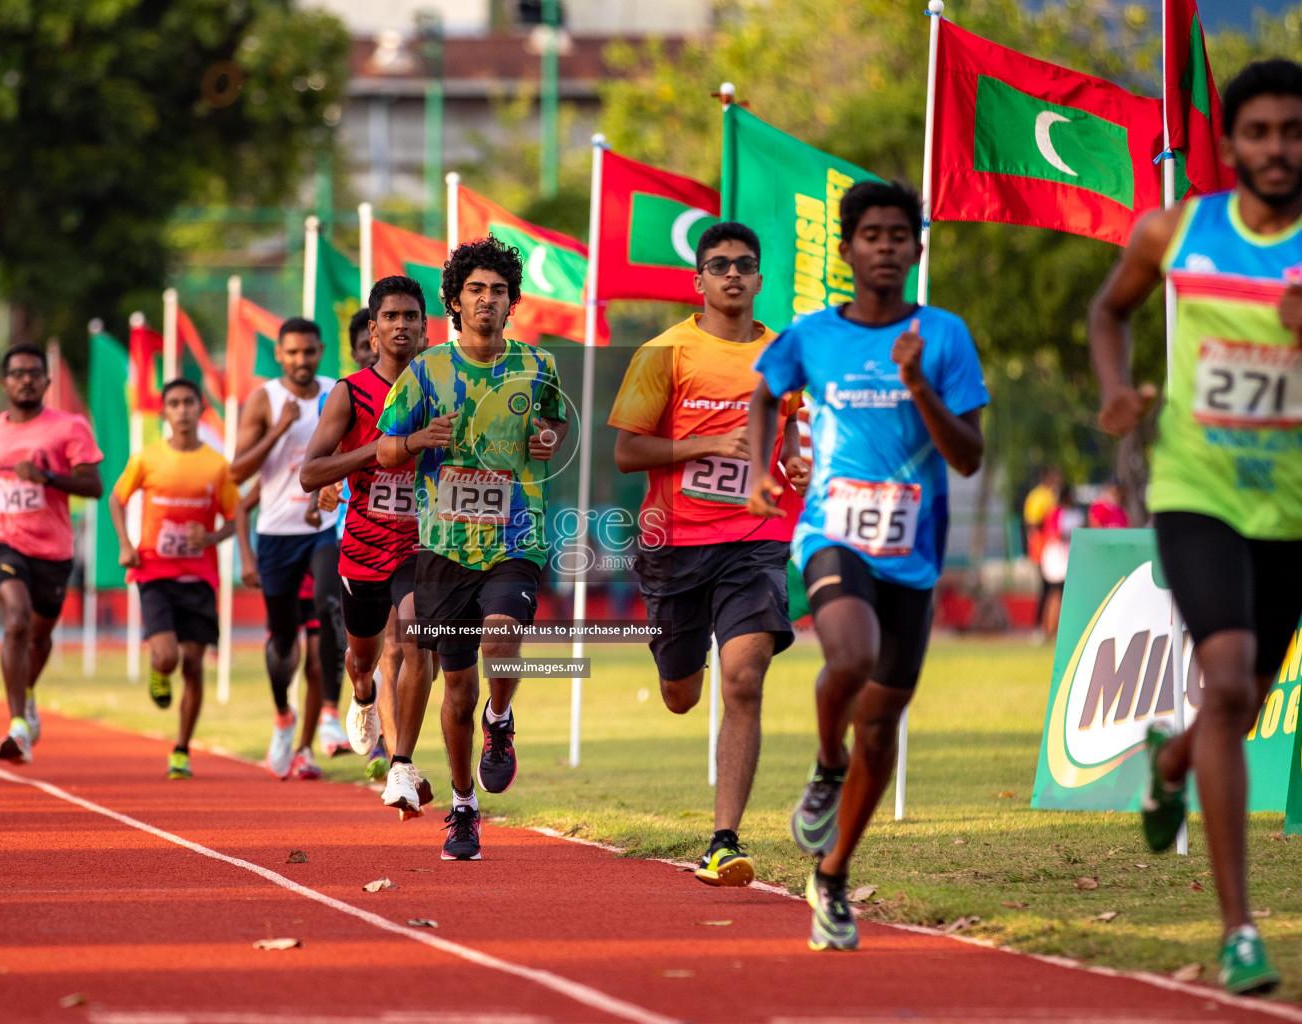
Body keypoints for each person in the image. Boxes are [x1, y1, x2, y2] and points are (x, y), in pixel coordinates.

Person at [1086, 59, 1302, 996]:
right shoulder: (1178, 229)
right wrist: (1115, 392)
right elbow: (1108, 309)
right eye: (1258, 132)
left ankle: (1168, 764)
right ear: (1232, 142)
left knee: (1242, 698)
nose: (1277, 150)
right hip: (1197, 489)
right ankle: (1239, 930)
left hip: (1290, 505)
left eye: (1293, 131)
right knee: (1224, 675)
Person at [746, 179, 988, 951]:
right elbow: (763, 395)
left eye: (899, 235)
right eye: (871, 235)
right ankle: (825, 764)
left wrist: (917, 382)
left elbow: (971, 456)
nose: (886, 247)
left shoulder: (945, 336)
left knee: (881, 728)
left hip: (912, 551)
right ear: (847, 249)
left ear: (917, 249)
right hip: (831, 532)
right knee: (848, 656)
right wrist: (760, 466)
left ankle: (835, 875)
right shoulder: (812, 335)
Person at [608, 221, 808, 888]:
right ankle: (675, 663)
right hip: (675, 546)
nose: (731, 274)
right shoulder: (665, 353)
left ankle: (723, 841)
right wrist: (703, 448)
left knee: (745, 676)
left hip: (755, 537)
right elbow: (627, 451)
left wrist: (799, 464)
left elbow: (796, 438)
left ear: (758, 279)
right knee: (681, 695)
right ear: (699, 282)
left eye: (743, 264)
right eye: (717, 264)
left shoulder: (784, 355)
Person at [377, 236, 567, 861]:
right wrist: (415, 442)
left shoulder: (537, 366)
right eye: (476, 290)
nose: (488, 299)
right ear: (455, 302)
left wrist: (545, 436)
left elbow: (554, 421)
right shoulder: (425, 371)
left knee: (500, 635)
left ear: (512, 302)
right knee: (455, 688)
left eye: (499, 290)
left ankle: (501, 721)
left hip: (517, 534)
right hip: (443, 547)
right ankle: (463, 807)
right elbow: (384, 448)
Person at [303, 275, 437, 817]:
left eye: (411, 317)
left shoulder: (443, 390)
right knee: (364, 659)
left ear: (426, 329)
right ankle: (361, 697)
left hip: (422, 545)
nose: (401, 325)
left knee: (409, 640)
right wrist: (373, 453)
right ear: (374, 331)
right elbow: (311, 471)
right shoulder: (349, 392)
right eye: (391, 317)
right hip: (361, 547)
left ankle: (401, 762)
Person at [0, 343, 104, 763]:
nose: (26, 380)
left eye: (34, 373)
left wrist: (48, 477)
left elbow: (94, 486)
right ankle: (17, 726)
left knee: (39, 636)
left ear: (47, 382)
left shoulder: (69, 428)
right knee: (16, 620)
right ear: (4, 382)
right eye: (17, 373)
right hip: (3, 537)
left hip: (53, 548)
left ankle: (29, 692)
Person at [107, 378, 240, 779]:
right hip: (154, 571)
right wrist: (125, 544)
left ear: (200, 409)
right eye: (174, 404)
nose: (182, 410)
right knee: (168, 656)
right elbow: (116, 498)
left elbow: (235, 519)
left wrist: (213, 535)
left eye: (188, 403)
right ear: (164, 412)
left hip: (199, 577)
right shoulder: (147, 459)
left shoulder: (217, 465)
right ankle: (157, 670)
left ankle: (181, 748)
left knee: (195, 665)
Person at [231, 317, 344, 781]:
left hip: (322, 527)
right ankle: (283, 715)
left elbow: (350, 451)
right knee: (282, 640)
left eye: (309, 352)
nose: (302, 361)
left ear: (320, 351)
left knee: (329, 604)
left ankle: (331, 714)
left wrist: (333, 488)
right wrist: (279, 429)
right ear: (279, 354)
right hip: (276, 533)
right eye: (292, 353)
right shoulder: (264, 400)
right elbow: (237, 474)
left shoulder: (336, 392)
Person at [1038, 480, 1082, 640]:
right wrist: (1071, 535)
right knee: (1055, 594)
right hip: (1057, 559)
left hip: (1069, 558)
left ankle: (1060, 629)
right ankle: (1050, 628)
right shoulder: (1057, 513)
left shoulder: (1075, 514)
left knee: (1064, 595)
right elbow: (1053, 534)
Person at [1023, 467, 1062, 634]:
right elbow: (1032, 522)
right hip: (1042, 547)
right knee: (1045, 588)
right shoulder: (1039, 496)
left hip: (1053, 548)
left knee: (1051, 588)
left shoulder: (1052, 495)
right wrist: (1048, 522)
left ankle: (1048, 626)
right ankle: (1040, 626)